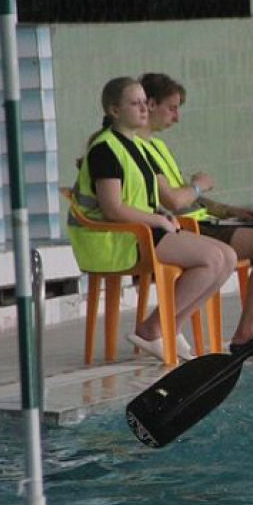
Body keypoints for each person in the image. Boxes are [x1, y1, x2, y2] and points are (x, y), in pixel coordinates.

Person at [136, 73, 253, 357]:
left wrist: (229, 210)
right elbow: (174, 200)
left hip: (206, 220)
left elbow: (190, 198)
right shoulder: (138, 149)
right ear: (151, 104)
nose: (177, 117)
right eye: (172, 108)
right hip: (189, 228)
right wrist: (198, 185)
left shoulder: (157, 146)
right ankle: (246, 333)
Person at [67, 77, 236, 364]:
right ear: (114, 110)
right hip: (114, 239)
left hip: (140, 231)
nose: (144, 109)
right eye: (136, 104)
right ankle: (152, 328)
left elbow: (146, 198)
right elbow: (112, 209)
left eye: (145, 103)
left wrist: (162, 216)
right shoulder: (104, 149)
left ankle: (170, 326)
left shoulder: (136, 146)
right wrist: (157, 220)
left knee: (228, 257)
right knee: (211, 260)